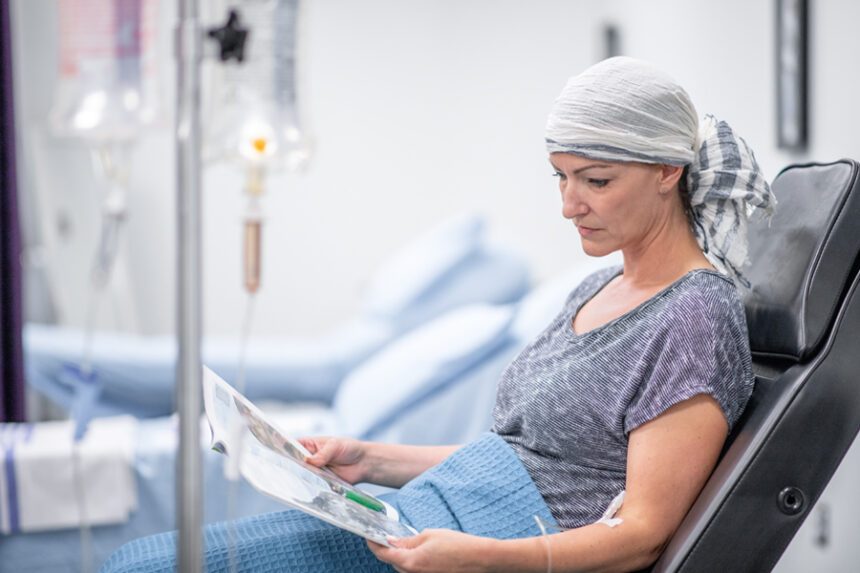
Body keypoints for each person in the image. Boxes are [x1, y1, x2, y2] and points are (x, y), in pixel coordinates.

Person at [100, 56, 774, 573]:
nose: (569, 204)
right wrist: (370, 458)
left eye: (595, 180)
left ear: (667, 171)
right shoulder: (595, 287)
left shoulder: (694, 314)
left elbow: (643, 534)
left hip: (477, 548)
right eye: (559, 177)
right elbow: (527, 456)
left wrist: (478, 557)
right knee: (142, 558)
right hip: (424, 518)